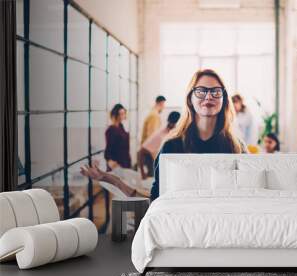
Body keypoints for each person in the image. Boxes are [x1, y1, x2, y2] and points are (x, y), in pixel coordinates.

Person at [80, 69, 246, 199]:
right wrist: (110, 179)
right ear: (190, 99)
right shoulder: (172, 147)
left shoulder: (236, 147)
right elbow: (155, 201)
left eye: (216, 91)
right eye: (201, 91)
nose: (208, 96)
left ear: (223, 98)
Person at [137, 111, 181, 179]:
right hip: (157, 172)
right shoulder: (161, 135)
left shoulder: (176, 135)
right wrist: (142, 173)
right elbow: (140, 152)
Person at [104, 104, 131, 171]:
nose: (123, 116)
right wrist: (111, 162)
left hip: (124, 160)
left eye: (124, 113)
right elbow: (109, 148)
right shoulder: (111, 130)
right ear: (116, 115)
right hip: (116, 162)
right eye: (121, 114)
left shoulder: (121, 126)